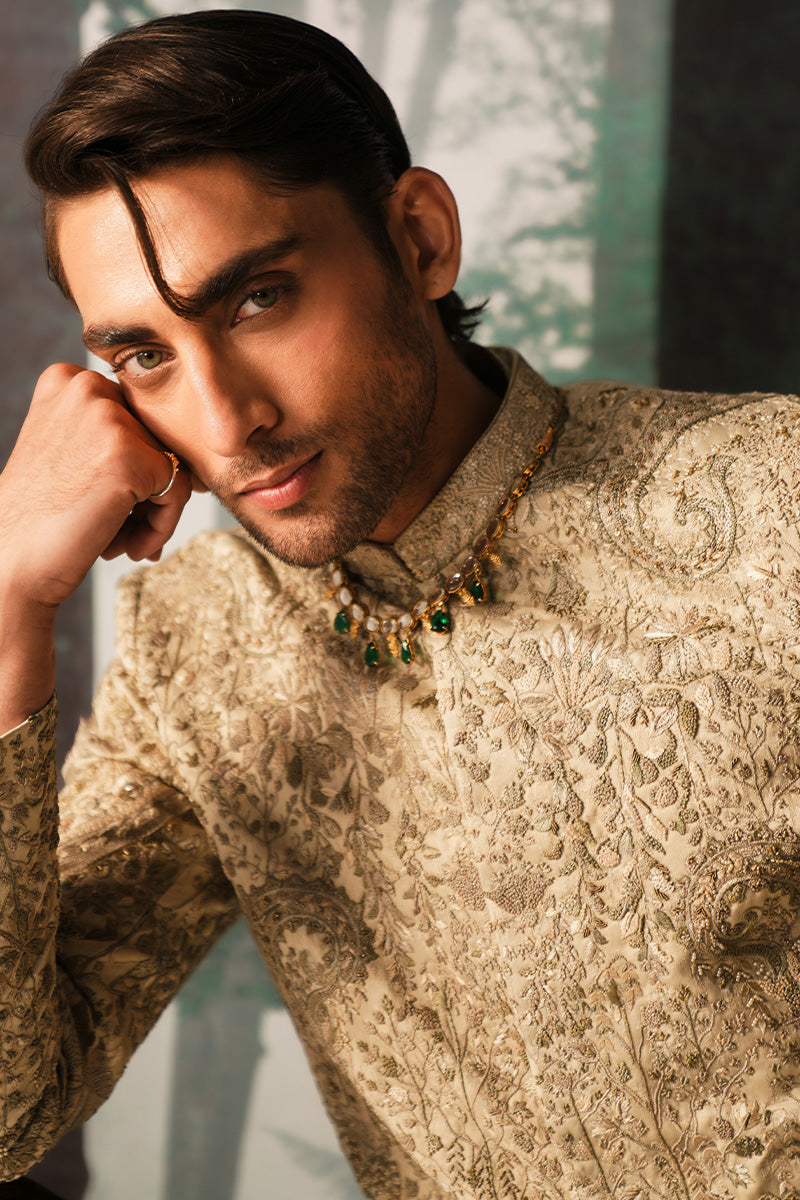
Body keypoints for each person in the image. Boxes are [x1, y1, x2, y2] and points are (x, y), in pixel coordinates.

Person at [2, 9, 800, 1199]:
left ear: (418, 240)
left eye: (259, 299)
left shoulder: (773, 505)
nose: (225, 423)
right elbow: (9, 1113)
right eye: (146, 355)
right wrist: (5, 606)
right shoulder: (197, 650)